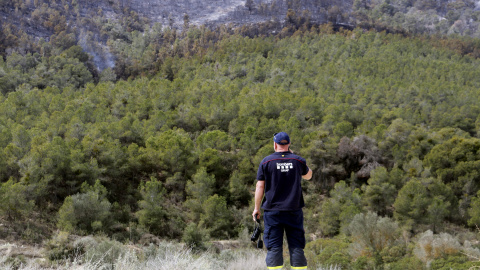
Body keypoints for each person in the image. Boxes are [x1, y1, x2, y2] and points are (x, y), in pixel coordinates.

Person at [252, 132, 313, 270]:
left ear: (274, 144)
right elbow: (309, 176)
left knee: (274, 247)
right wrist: (294, 155)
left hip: (272, 212)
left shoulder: (266, 161)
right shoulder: (298, 160)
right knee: (296, 246)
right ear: (289, 144)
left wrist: (256, 208)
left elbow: (260, 186)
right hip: (294, 211)